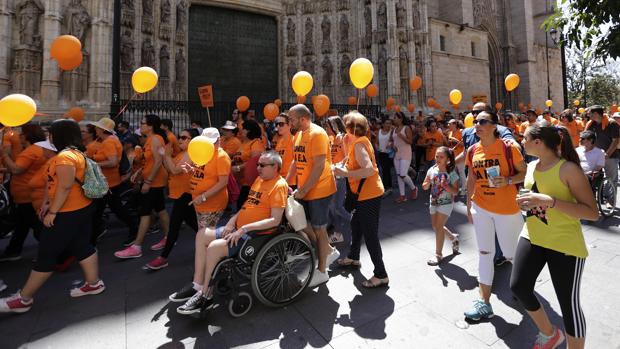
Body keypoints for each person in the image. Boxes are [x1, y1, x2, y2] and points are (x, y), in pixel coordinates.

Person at [0, 119, 105, 314]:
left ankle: (24, 299)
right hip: (81, 207)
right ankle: (93, 283)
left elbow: (64, 186)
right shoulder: (75, 153)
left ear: (59, 135)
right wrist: (47, 201)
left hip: (68, 211)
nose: (48, 136)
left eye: (51, 133)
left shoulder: (64, 157)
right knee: (82, 246)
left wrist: (53, 211)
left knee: (47, 253)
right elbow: (55, 182)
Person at [511, 123, 599, 349]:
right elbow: (535, 199)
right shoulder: (530, 167)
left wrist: (549, 202)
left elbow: (592, 212)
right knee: (519, 286)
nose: (522, 141)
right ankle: (549, 333)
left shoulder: (568, 169)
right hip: (532, 235)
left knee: (568, 304)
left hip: (564, 243)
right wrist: (527, 202)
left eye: (525, 138)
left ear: (538, 142)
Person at [170, 151, 288, 314]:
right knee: (202, 234)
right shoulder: (260, 180)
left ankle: (206, 296)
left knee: (214, 247)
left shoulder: (279, 186)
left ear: (275, 167)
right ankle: (197, 284)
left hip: (255, 235)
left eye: (262, 165)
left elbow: (275, 220)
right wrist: (232, 221)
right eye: (258, 164)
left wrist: (243, 229)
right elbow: (247, 205)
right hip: (239, 228)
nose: (258, 168)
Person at [464, 110, 526, 321]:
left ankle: (524, 286)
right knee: (484, 253)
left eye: (482, 121)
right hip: (481, 207)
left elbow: (524, 172)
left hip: (508, 209)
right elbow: (471, 178)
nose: (477, 124)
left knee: (510, 254)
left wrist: (508, 181)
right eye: (475, 121)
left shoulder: (509, 148)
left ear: (494, 126)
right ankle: (484, 302)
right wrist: (468, 204)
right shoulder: (473, 150)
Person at [333, 112, 388, 288]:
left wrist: (345, 173)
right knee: (356, 226)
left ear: (350, 127)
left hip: (369, 195)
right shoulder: (356, 142)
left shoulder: (358, 144)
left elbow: (369, 169)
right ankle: (353, 257)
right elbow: (352, 161)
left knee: (370, 234)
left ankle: (381, 274)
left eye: (344, 125)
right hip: (363, 193)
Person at [287, 104, 339, 287]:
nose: (289, 122)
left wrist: (303, 190)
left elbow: (318, 167)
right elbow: (296, 160)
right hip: (306, 189)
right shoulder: (298, 134)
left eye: (292, 119)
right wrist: (286, 182)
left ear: (303, 119)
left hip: (320, 189)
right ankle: (330, 251)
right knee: (304, 223)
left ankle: (322, 271)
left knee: (319, 229)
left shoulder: (318, 134)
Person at [114, 114, 170, 259]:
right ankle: (169, 238)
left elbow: (158, 162)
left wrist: (148, 182)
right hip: (152, 179)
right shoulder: (150, 140)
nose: (141, 125)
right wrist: (139, 174)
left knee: (145, 212)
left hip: (155, 181)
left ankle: (137, 246)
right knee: (160, 209)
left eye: (143, 123)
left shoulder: (156, 139)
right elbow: (148, 162)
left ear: (150, 126)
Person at [145, 128, 200, 270]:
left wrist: (167, 156)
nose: (179, 140)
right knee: (195, 224)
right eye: (179, 137)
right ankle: (212, 242)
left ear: (192, 140)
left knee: (174, 226)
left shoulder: (192, 153)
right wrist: (166, 157)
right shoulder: (182, 153)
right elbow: (170, 169)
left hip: (185, 194)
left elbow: (175, 170)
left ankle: (163, 257)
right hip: (179, 194)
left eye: (183, 137)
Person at [0, 124, 47, 261]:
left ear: (26, 136)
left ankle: (53, 252)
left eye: (21, 134)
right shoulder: (38, 149)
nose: (18, 136)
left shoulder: (30, 151)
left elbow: (16, 169)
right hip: (29, 193)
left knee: (38, 227)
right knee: (22, 225)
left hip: (27, 194)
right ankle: (13, 250)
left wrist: (4, 155)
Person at [89, 117, 138, 245]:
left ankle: (92, 240)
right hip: (109, 182)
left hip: (107, 182)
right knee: (113, 209)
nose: (95, 129)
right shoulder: (110, 140)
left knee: (101, 211)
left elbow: (113, 162)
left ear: (102, 130)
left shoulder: (108, 142)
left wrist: (93, 164)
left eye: (97, 127)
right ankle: (134, 228)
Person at [422, 146, 460, 266]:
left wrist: (445, 186)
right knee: (436, 226)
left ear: (448, 159)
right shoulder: (432, 169)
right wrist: (427, 184)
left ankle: (438, 255)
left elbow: (455, 191)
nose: (438, 158)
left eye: (441, 157)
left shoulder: (451, 172)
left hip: (446, 203)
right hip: (433, 201)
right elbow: (424, 186)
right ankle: (453, 238)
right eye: (436, 156)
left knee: (438, 227)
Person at [188, 128, 230, 231]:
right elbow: (203, 171)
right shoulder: (204, 151)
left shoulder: (221, 156)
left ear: (219, 140)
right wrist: (191, 170)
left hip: (212, 204)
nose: (210, 144)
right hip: (200, 203)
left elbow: (223, 182)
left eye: (213, 142)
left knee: (204, 236)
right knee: (204, 234)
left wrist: (203, 197)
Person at [325, 115, 350, 244]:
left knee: (337, 207)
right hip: (330, 175)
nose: (326, 128)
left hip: (339, 176)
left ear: (334, 126)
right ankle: (337, 232)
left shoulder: (341, 137)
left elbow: (347, 157)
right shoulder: (329, 138)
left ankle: (355, 222)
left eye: (328, 126)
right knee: (331, 207)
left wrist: (337, 165)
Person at [232, 119, 265, 209]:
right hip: (240, 182)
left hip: (250, 183)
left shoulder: (256, 143)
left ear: (248, 130)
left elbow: (254, 161)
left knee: (242, 207)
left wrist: (238, 167)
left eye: (243, 128)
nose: (240, 130)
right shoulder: (243, 143)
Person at [586, 105, 619, 185]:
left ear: (596, 114)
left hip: (610, 156)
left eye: (590, 113)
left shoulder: (611, 123)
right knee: (594, 177)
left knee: (611, 180)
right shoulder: (591, 124)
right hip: (595, 155)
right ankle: (598, 195)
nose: (588, 115)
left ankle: (610, 197)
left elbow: (616, 140)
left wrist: (607, 154)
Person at [391, 112, 418, 203]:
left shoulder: (406, 128)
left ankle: (414, 188)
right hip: (397, 154)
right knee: (399, 175)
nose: (393, 119)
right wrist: (392, 145)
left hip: (406, 153)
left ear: (401, 119)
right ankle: (402, 196)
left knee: (403, 174)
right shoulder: (394, 129)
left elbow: (410, 141)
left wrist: (401, 135)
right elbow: (392, 141)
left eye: (395, 117)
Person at [375, 117, 394, 196]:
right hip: (381, 153)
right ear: (383, 124)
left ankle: (387, 187)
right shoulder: (379, 132)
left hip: (389, 154)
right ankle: (388, 187)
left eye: (390, 123)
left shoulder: (392, 132)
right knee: (384, 170)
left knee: (386, 171)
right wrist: (377, 148)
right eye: (387, 123)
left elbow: (394, 141)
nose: (388, 125)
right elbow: (376, 142)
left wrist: (391, 144)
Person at [447, 119, 466, 191]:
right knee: (452, 173)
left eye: (450, 124)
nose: (448, 125)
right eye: (448, 124)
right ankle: (456, 187)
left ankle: (464, 188)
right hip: (452, 156)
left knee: (461, 172)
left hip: (460, 156)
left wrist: (455, 140)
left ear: (455, 124)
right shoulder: (449, 133)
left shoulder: (461, 132)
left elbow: (464, 144)